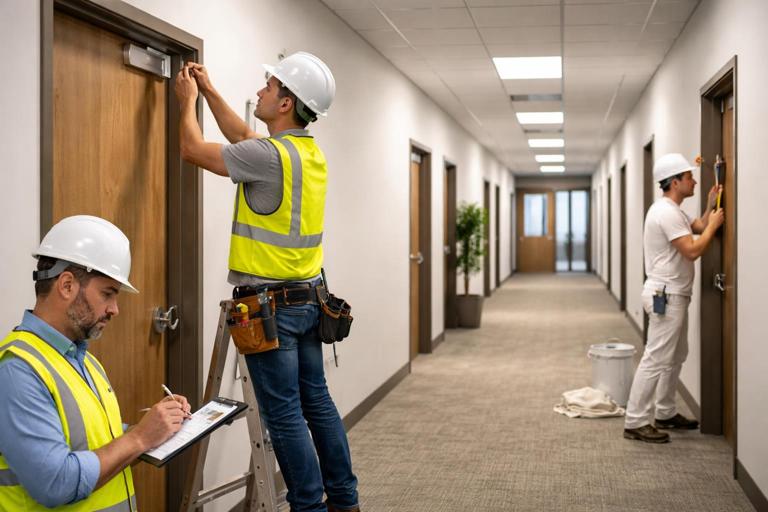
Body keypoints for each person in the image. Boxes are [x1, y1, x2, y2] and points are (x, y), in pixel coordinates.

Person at [174, 53, 359, 512]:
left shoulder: (268, 156)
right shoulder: (305, 154)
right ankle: (345, 501)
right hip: (308, 300)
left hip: (270, 308)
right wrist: (210, 90)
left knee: (284, 413)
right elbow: (242, 136)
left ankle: (309, 507)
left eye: (270, 86)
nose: (260, 91)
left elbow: (192, 150)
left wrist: (186, 101)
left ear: (286, 103)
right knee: (316, 402)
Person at [0, 215, 191, 510]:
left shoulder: (85, 361)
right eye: (107, 294)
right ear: (67, 285)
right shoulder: (17, 370)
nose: (115, 309)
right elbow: (55, 483)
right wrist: (139, 438)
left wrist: (158, 425)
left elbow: (98, 444)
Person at [623, 153, 724, 443]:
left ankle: (665, 412)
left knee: (676, 355)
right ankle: (635, 421)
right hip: (666, 295)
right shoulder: (665, 213)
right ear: (675, 182)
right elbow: (692, 250)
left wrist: (710, 207)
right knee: (656, 357)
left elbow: (699, 227)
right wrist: (715, 225)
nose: (694, 181)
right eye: (689, 177)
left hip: (674, 293)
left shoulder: (673, 210)